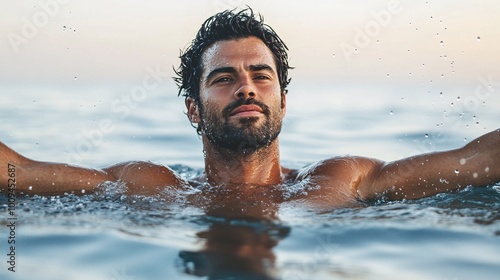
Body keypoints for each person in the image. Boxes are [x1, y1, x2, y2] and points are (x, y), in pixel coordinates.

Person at [1, 8, 499, 211]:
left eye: (261, 76)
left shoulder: (339, 181)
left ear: (283, 99)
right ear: (194, 111)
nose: (246, 87)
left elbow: (479, 162)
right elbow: (15, 172)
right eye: (224, 78)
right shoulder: (150, 187)